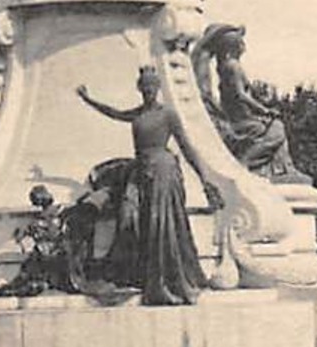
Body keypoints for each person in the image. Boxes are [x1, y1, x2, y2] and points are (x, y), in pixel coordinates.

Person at [75, 68, 224, 306]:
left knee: (161, 224)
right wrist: (88, 99)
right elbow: (114, 113)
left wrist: (205, 178)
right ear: (140, 88)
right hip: (142, 172)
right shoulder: (138, 113)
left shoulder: (169, 114)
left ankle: (169, 279)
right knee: (133, 219)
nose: (148, 91)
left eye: (152, 87)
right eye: (144, 87)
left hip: (164, 173)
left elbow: (186, 147)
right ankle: (142, 275)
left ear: (158, 88)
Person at [191, 24, 298, 180]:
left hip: (242, 115)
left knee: (276, 128)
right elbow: (241, 95)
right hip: (242, 119)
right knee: (277, 131)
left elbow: (248, 92)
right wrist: (264, 110)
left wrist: (262, 101)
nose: (244, 47)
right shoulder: (233, 66)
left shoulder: (226, 66)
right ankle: (247, 162)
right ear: (233, 47)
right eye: (241, 43)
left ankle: (283, 169)